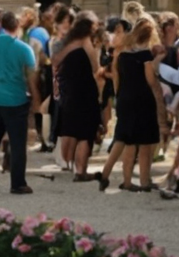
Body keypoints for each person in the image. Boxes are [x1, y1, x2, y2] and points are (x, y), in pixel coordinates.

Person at [101, 18, 168, 194]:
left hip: (125, 98)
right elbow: (150, 80)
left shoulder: (122, 54)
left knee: (125, 139)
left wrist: (119, 95)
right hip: (142, 100)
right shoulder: (144, 55)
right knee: (146, 142)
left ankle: (114, 176)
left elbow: (116, 77)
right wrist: (159, 95)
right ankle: (144, 181)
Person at [0, 14, 38, 193]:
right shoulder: (24, 48)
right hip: (15, 98)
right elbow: (31, 75)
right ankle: (17, 183)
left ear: (1, 25)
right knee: (17, 143)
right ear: (17, 26)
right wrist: (35, 98)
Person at [51, 14, 103, 180]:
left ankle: (70, 163)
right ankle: (81, 170)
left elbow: (55, 61)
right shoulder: (85, 42)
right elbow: (95, 67)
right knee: (85, 132)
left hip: (68, 90)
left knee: (71, 128)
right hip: (85, 91)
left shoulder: (66, 43)